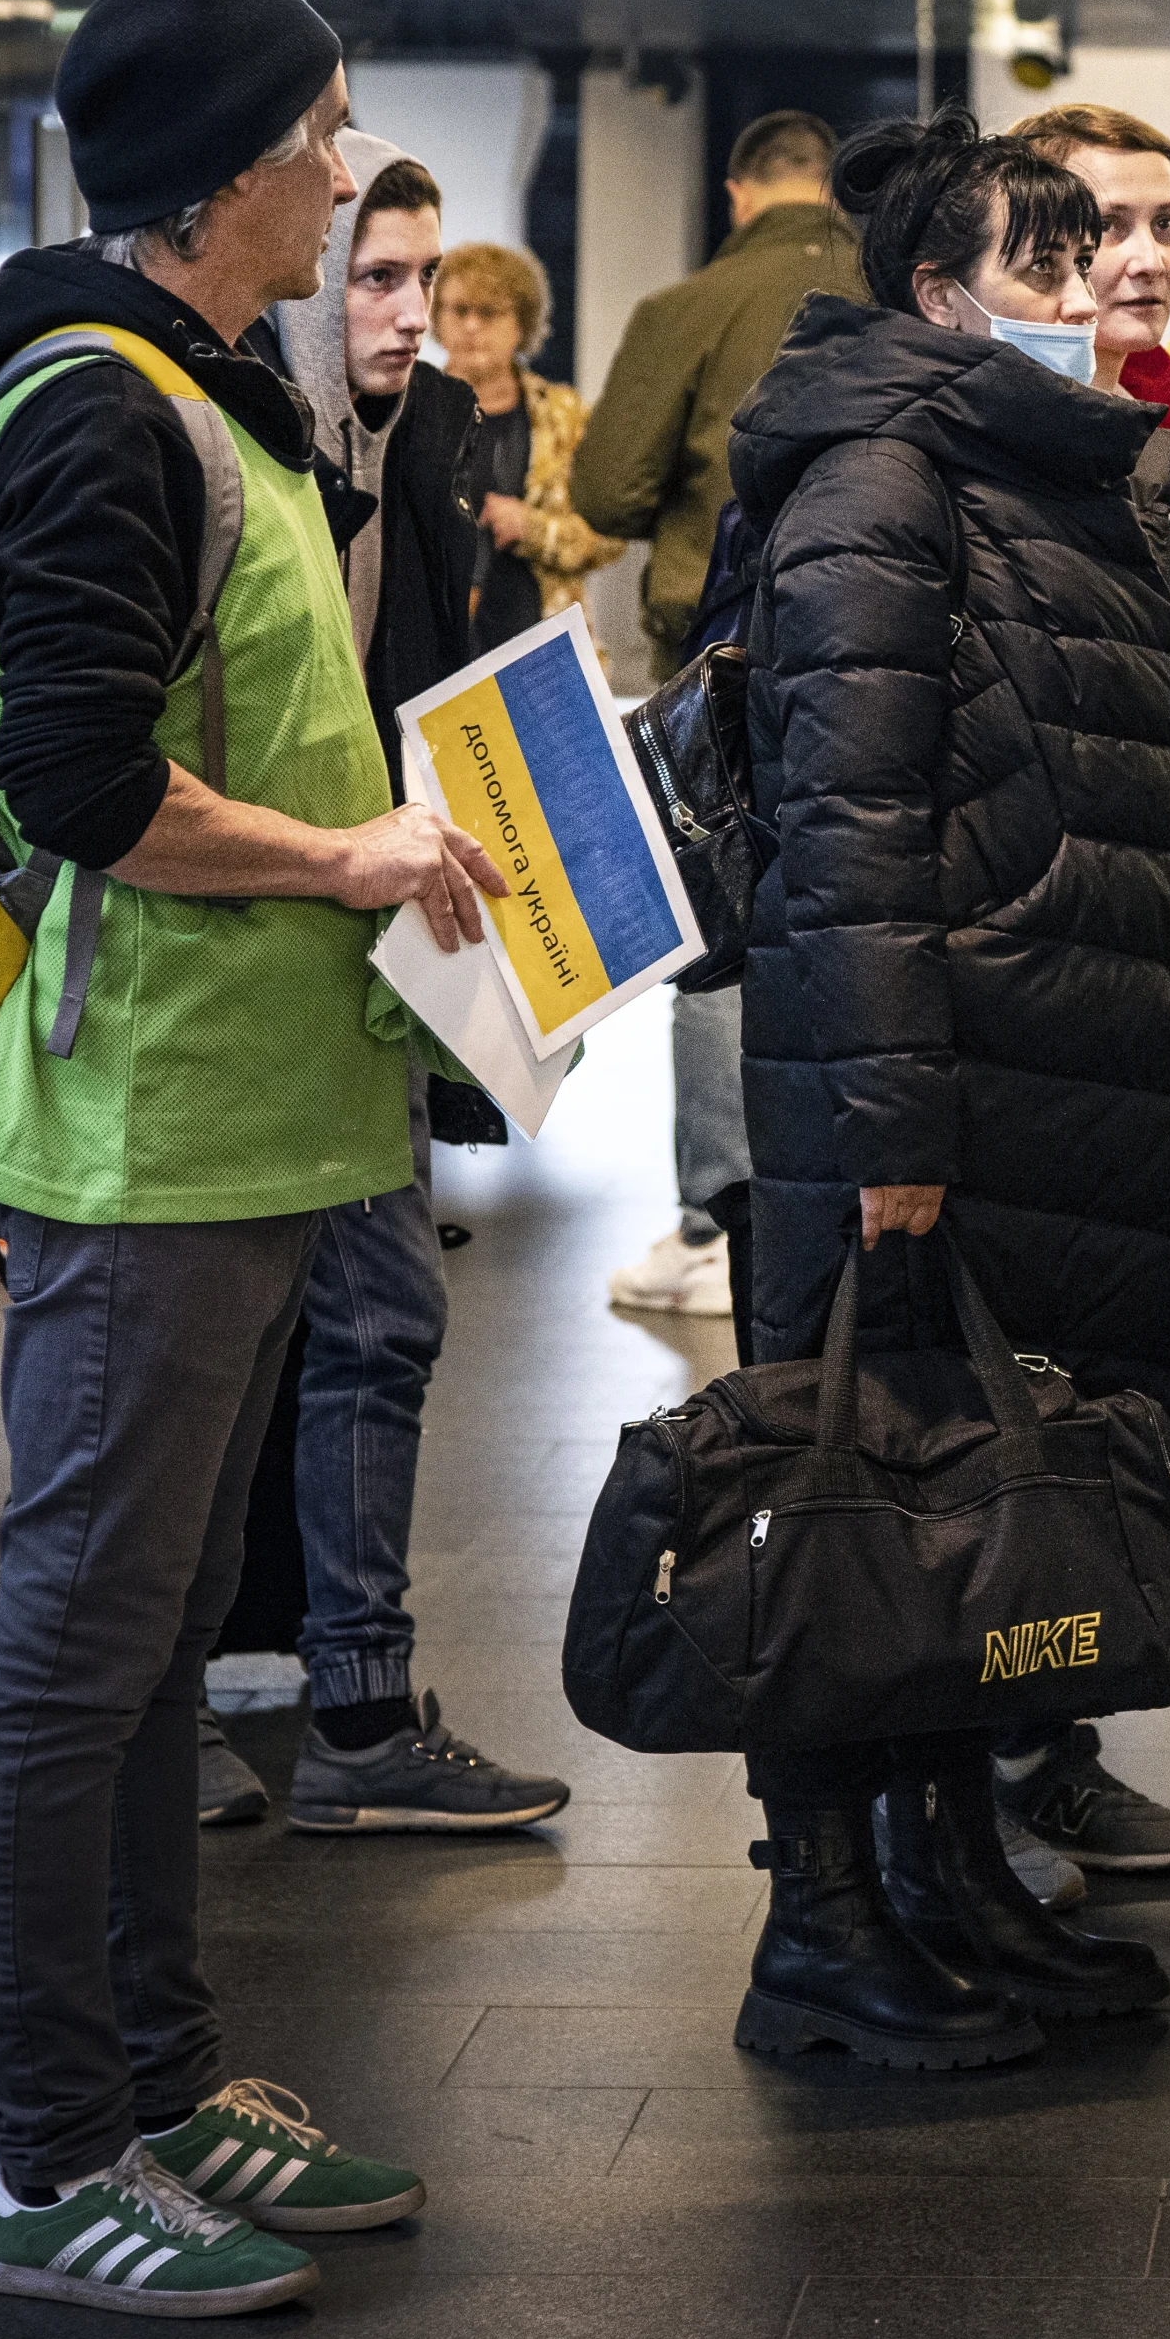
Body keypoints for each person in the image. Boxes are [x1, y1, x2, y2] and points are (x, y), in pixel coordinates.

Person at [0, 0, 508, 2314]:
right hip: (141, 1129)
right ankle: (47, 2152)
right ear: (231, 173)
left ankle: (160, 2086)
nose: (353, 167)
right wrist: (346, 858)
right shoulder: (95, 411)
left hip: (259, 1118)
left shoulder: (211, 396)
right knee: (82, 1643)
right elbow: (73, 782)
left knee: (170, 1636)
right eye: (328, 137)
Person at [726, 107, 1170, 2063]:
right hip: (927, 1104)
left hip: (1041, 1088)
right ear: (943, 296)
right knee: (863, 1493)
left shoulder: (1047, 474)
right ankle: (827, 1932)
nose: (1092, 286)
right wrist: (888, 1129)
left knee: (955, 1515)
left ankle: (947, 1886)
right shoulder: (881, 478)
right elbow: (849, 826)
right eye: (1046, 259)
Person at [212, 140, 574, 1837]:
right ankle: (241, 1696)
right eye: (375, 275)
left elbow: (453, 685)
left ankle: (339, 1697)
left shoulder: (433, 434)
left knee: (363, 1322)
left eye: (425, 277)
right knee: (226, 1346)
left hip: (370, 950)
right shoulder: (208, 437)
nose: (416, 315)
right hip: (215, 964)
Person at [955, 99, 1170, 1893]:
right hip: (1025, 997)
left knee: (1110, 1381)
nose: (1134, 256)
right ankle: (981, 1762)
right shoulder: (988, 463)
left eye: (1158, 222)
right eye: (1094, 228)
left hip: (1162, 972)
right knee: (997, 1393)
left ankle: (1058, 1737)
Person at [576, 109, 865, 1329]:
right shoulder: (894, 286)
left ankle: (718, 1213)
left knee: (721, 933)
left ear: (740, 192)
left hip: (722, 661)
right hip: (876, 648)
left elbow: (606, 489)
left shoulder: (686, 308)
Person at [429, 239, 622, 648]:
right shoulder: (410, 409)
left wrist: (533, 528)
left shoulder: (563, 416)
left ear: (521, 323)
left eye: (489, 312)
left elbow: (611, 533)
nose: (472, 327)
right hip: (436, 646)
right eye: (459, 310)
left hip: (542, 644)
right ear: (436, 315)